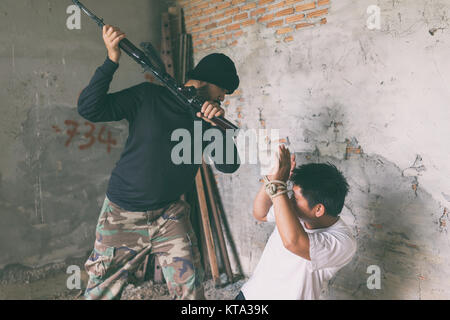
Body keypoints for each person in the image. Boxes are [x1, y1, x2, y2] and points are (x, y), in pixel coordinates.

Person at [77, 25, 240, 300]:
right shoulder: (147, 96)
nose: (223, 98)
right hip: (122, 214)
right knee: (99, 294)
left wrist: (216, 127)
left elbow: (228, 165)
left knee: (192, 294)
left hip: (170, 215)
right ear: (210, 80)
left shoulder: (205, 118)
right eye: (223, 90)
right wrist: (111, 59)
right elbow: (89, 108)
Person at [236, 145, 356, 300]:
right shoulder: (297, 211)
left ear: (318, 209)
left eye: (296, 197)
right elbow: (261, 214)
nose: (289, 200)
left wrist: (278, 186)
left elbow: (294, 242)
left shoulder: (343, 242)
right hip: (250, 295)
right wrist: (272, 179)